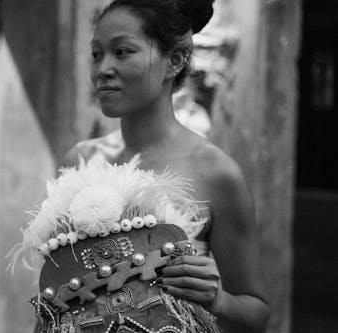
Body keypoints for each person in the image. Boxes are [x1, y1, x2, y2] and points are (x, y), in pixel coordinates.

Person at [61, 0, 269, 332]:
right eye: (97, 54)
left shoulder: (215, 172)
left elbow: (256, 315)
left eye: (123, 52)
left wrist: (218, 300)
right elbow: (57, 295)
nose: (102, 70)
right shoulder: (81, 160)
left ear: (174, 61)